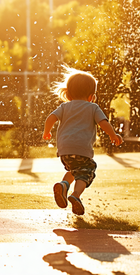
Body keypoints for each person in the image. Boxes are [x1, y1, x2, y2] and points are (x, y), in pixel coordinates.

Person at [42, 67, 123, 215]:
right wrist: (113, 135)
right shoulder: (93, 107)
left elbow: (50, 118)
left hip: (64, 151)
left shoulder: (64, 106)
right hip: (82, 149)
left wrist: (46, 132)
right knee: (86, 171)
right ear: (91, 96)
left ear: (67, 93)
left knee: (74, 169)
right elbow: (103, 123)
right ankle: (75, 196)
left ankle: (64, 185)